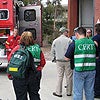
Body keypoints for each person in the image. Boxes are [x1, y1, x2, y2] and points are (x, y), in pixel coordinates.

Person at [7, 31, 46, 100]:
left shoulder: (18, 48)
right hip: (34, 75)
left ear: (21, 38)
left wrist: (11, 74)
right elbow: (43, 62)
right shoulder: (37, 48)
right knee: (34, 95)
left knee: (21, 96)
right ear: (32, 39)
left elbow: (10, 60)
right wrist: (37, 70)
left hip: (20, 76)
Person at [65, 27, 96, 100]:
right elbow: (97, 56)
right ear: (85, 34)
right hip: (91, 70)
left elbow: (67, 58)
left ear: (77, 34)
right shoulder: (92, 43)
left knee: (78, 92)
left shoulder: (75, 43)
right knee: (90, 91)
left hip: (79, 70)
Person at [51, 27, 73, 97]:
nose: (67, 33)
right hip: (68, 60)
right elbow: (72, 50)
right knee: (69, 76)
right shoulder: (70, 40)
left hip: (59, 61)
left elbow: (52, 51)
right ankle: (69, 92)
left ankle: (58, 92)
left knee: (60, 76)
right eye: (67, 31)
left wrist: (53, 58)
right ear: (65, 32)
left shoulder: (55, 40)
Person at [92, 23, 100, 98]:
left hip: (98, 59)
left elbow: (94, 48)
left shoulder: (95, 38)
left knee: (97, 76)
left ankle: (97, 93)